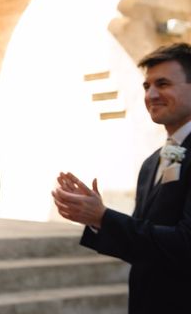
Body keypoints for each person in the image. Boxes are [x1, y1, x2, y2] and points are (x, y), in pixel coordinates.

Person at [52, 42, 191, 314]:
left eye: (162, 84)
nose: (151, 94)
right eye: (146, 86)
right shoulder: (152, 162)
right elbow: (143, 243)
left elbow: (185, 244)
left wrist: (104, 217)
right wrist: (96, 219)